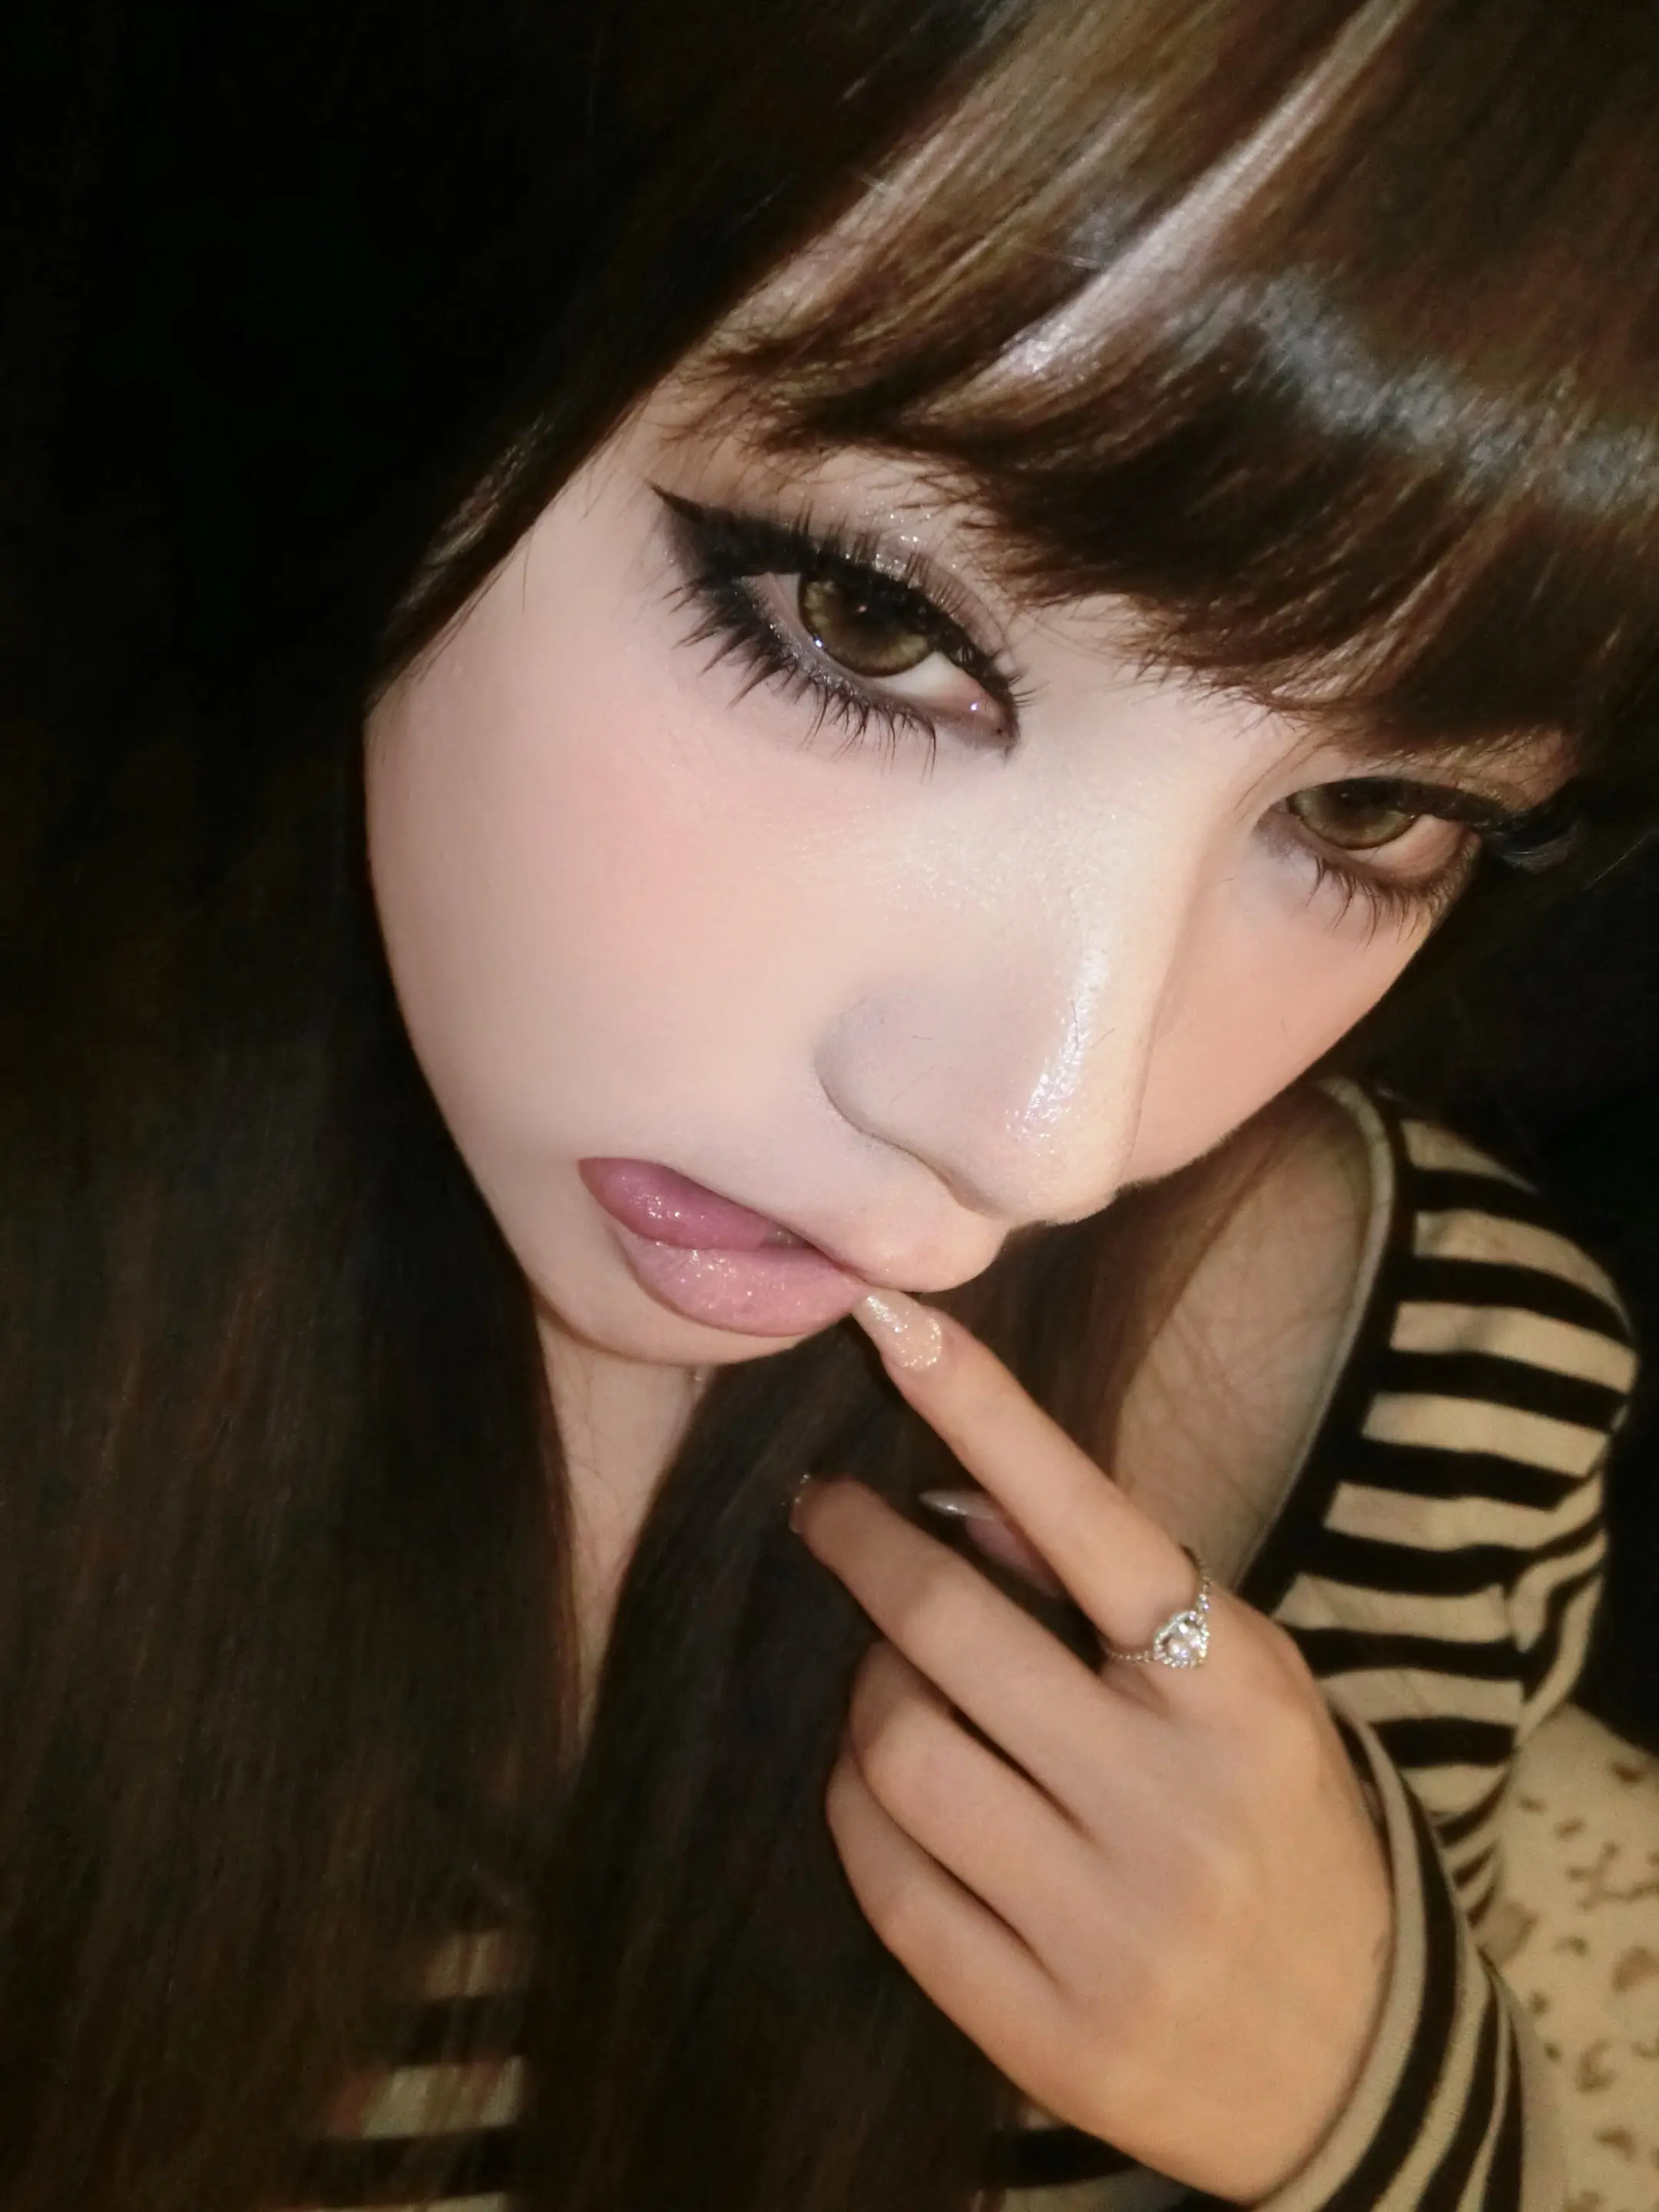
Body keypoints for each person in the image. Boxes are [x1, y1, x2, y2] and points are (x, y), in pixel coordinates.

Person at [0, 1, 1651, 2207]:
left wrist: (1377, 2105)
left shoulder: (1453, 1396)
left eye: (1368, 813)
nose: (1046, 1137)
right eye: (867, 621)